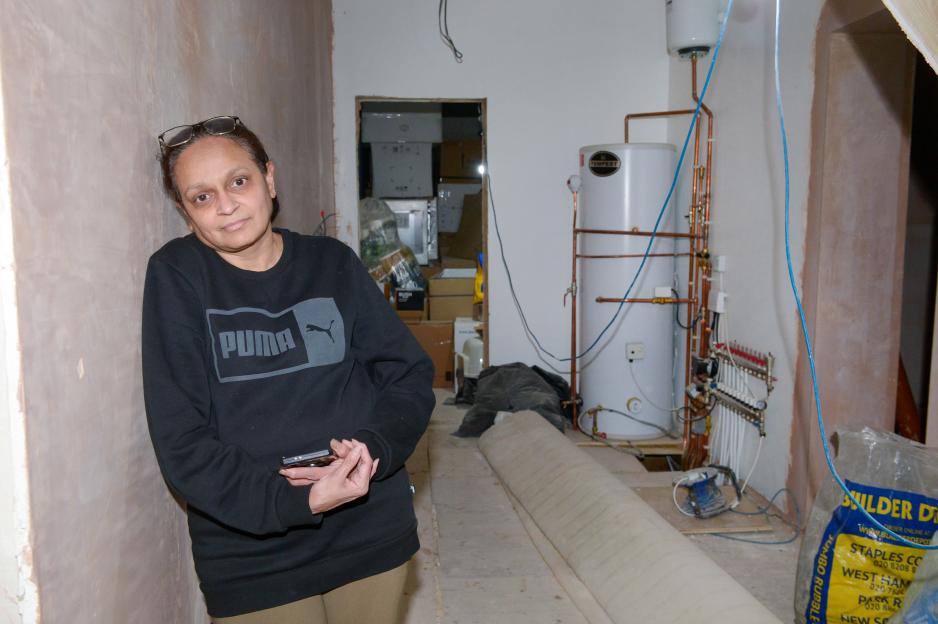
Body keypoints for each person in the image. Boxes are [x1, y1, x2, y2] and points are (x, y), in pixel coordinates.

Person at [142, 115, 435, 623]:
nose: (227, 205)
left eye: (238, 181)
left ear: (269, 179)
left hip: (367, 526)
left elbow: (406, 374)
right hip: (252, 547)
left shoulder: (333, 263)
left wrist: (373, 449)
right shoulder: (177, 277)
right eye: (202, 196)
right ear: (185, 211)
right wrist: (296, 500)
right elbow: (181, 439)